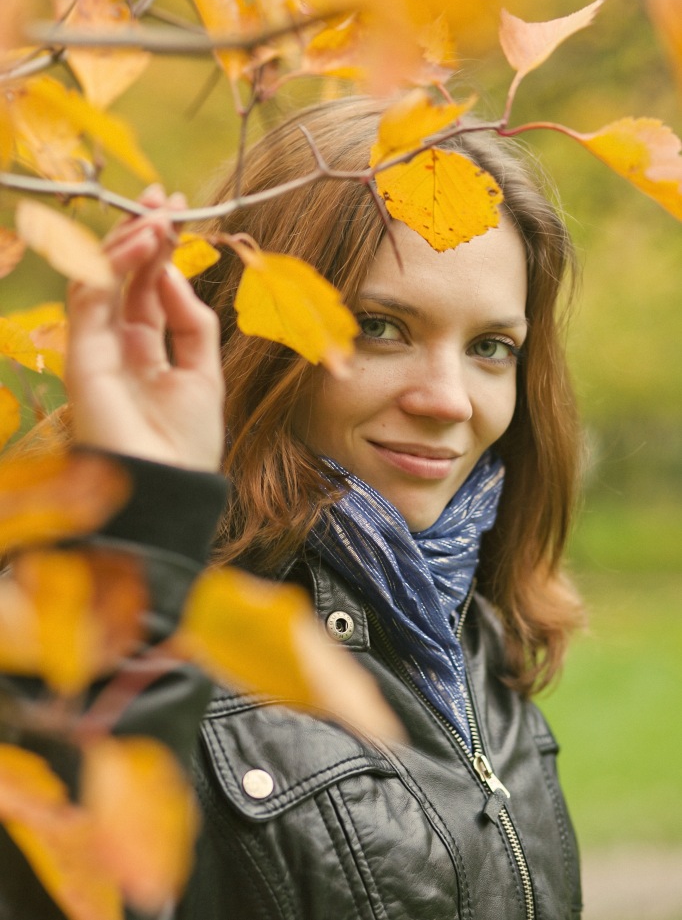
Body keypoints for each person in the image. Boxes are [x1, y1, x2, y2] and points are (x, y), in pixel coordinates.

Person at [6, 97, 584, 919]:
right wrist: (143, 535)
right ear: (260, 336)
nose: (450, 399)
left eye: (490, 347)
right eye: (380, 326)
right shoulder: (113, 624)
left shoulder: (466, 619)